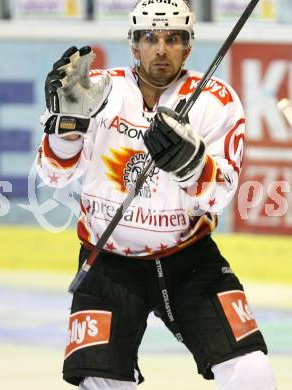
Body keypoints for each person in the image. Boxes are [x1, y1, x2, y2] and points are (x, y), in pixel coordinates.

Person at [36, 1, 277, 389]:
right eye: (150, 38)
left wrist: (191, 165)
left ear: (188, 46)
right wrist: (67, 130)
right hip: (108, 264)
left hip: (189, 262)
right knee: (99, 381)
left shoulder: (217, 101)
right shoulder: (95, 92)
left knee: (252, 372)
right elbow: (52, 175)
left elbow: (219, 196)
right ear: (133, 46)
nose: (161, 48)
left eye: (173, 38)